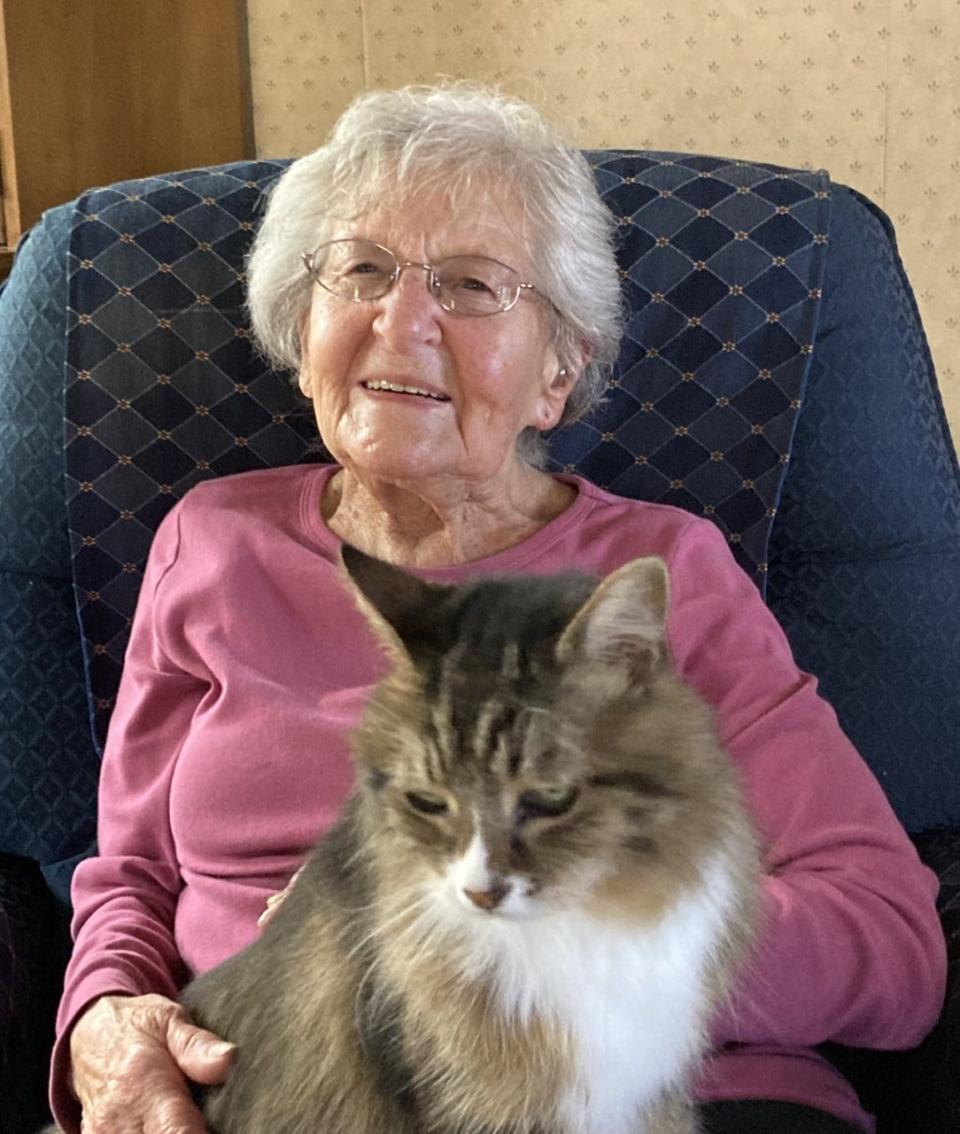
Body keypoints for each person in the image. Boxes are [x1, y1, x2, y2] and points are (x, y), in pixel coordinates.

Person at [50, 85, 945, 1134]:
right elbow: (132, 878)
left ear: (558, 374)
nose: (402, 320)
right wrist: (107, 1022)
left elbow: (890, 946)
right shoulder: (210, 542)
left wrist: (527, 954)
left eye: (471, 286)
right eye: (363, 270)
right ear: (305, 330)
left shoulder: (660, 572)